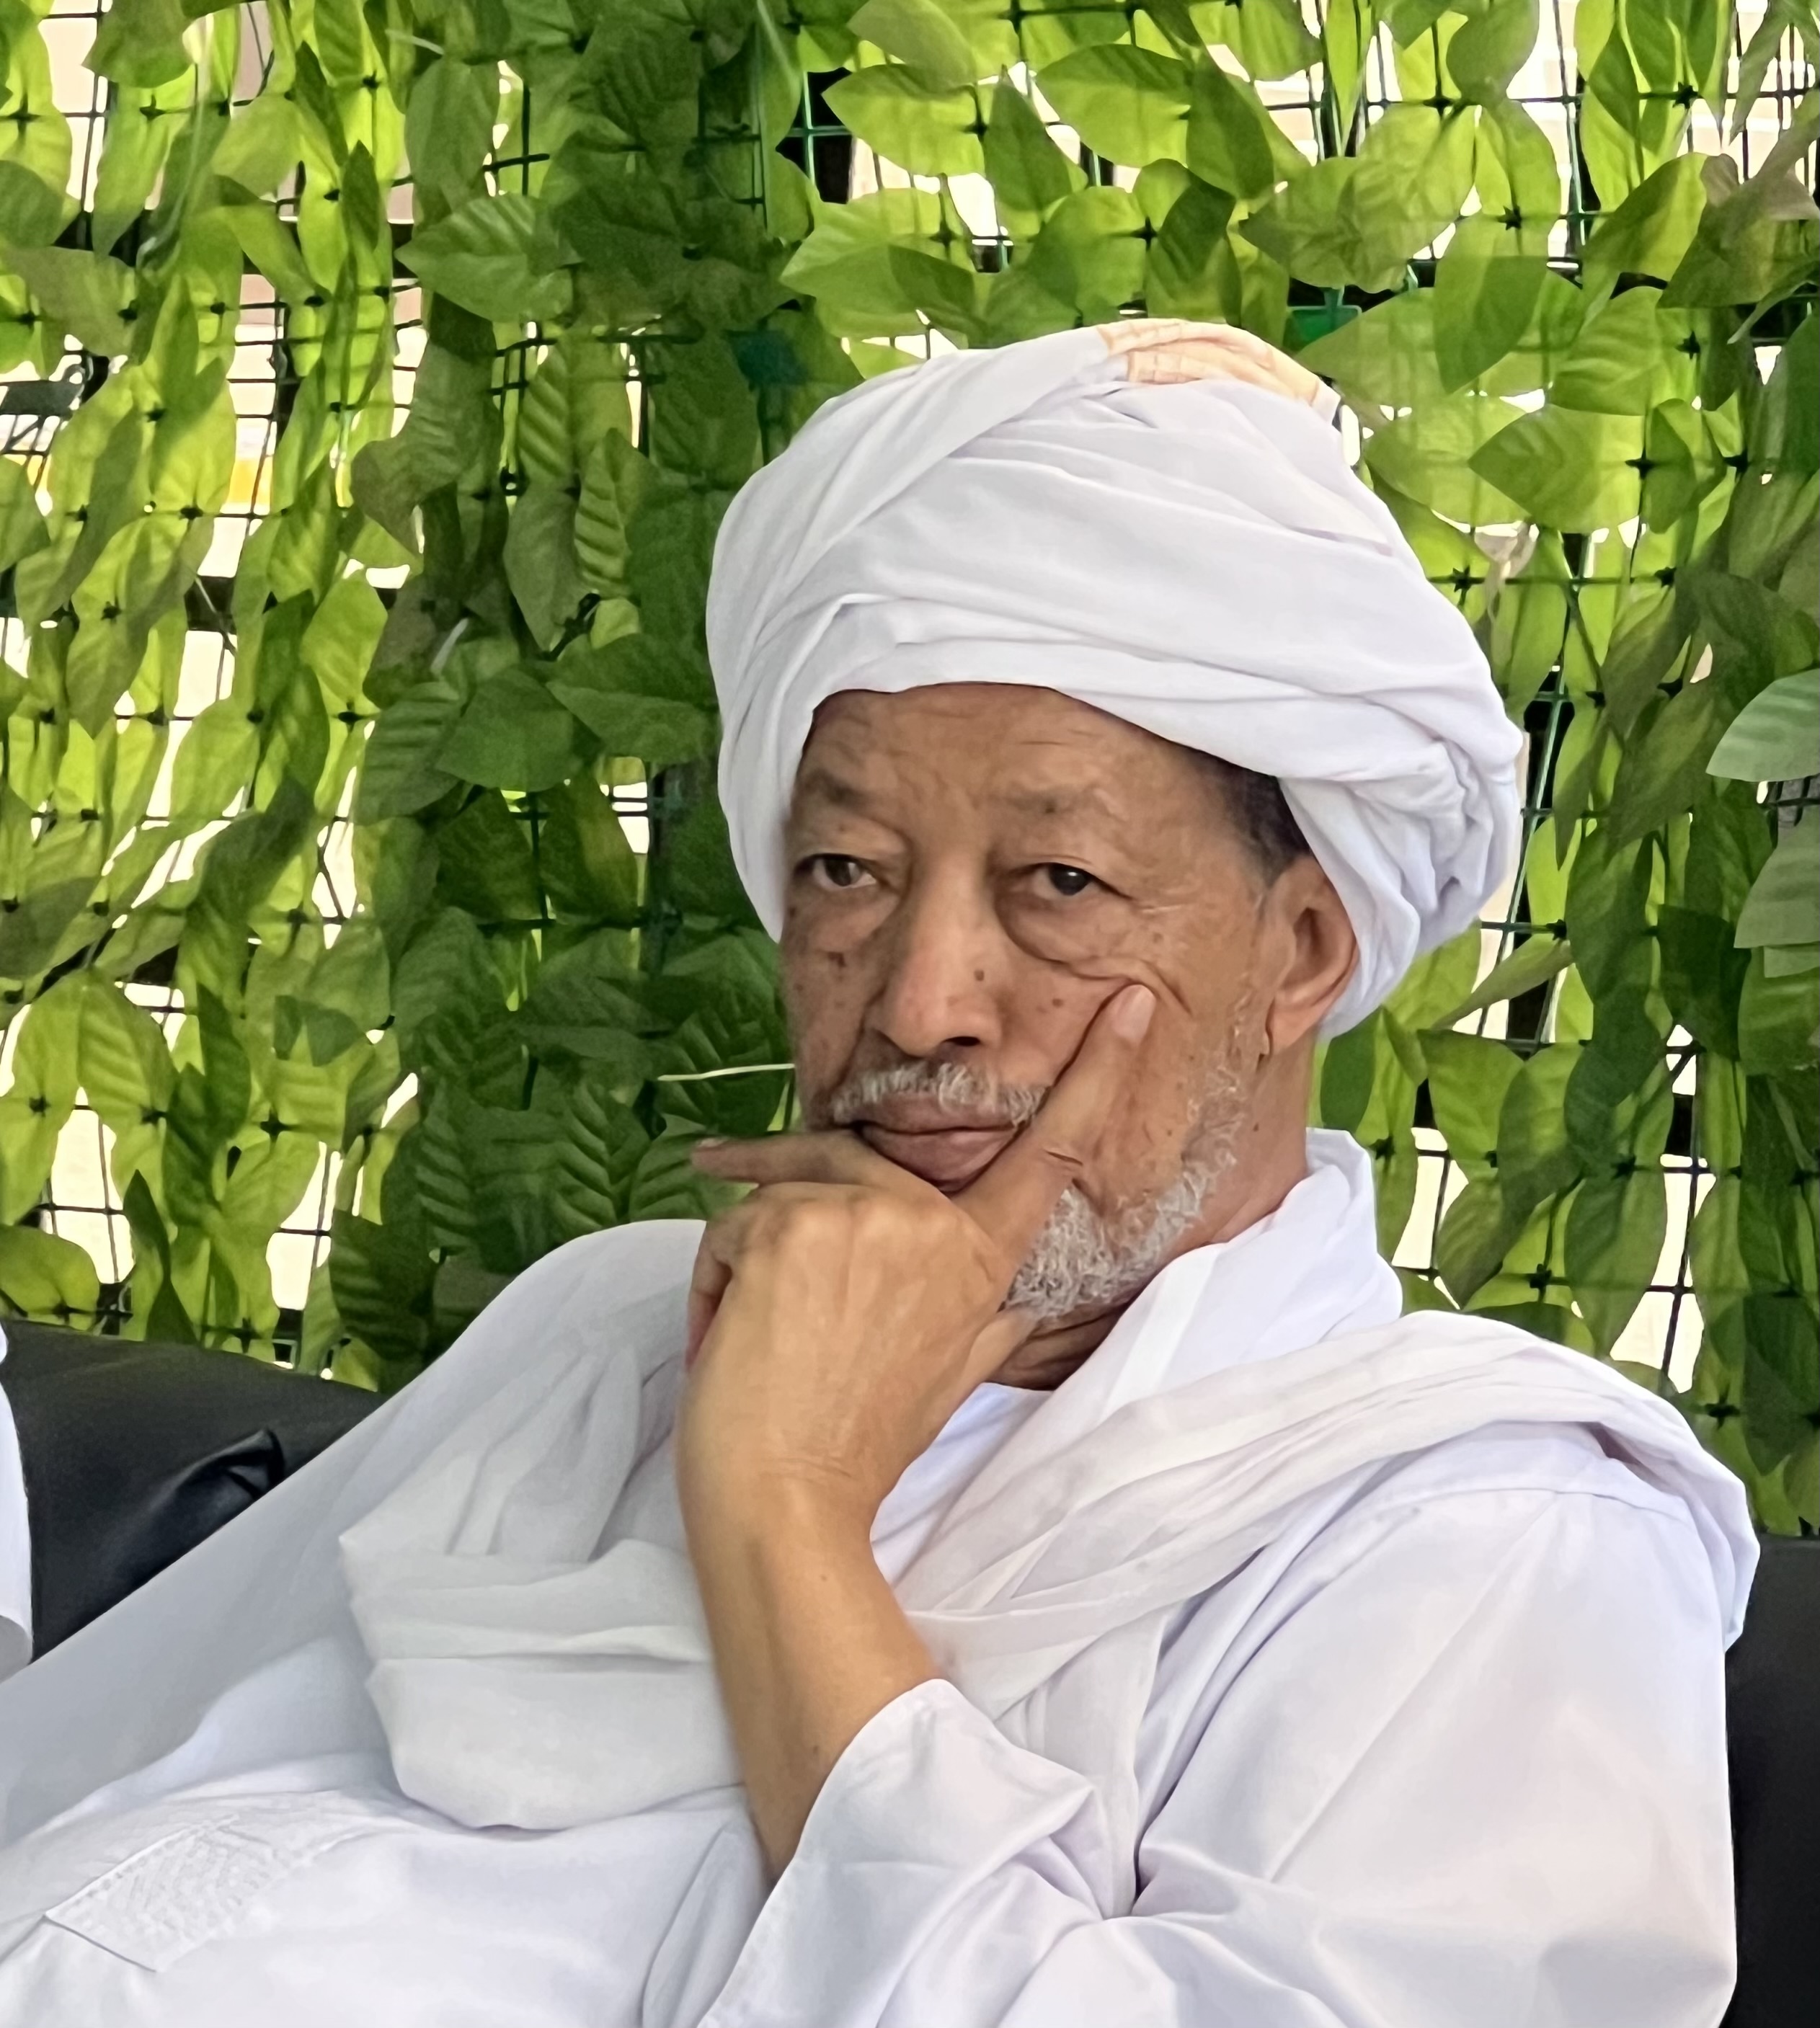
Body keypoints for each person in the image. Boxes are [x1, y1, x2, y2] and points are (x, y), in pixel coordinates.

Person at [0, 321, 1752, 2027]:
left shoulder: (1484, 1534)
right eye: (846, 869)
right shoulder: (616, 1327)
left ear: (1302, 948)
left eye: (1058, 885)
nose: (920, 1003)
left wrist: (782, 1505)